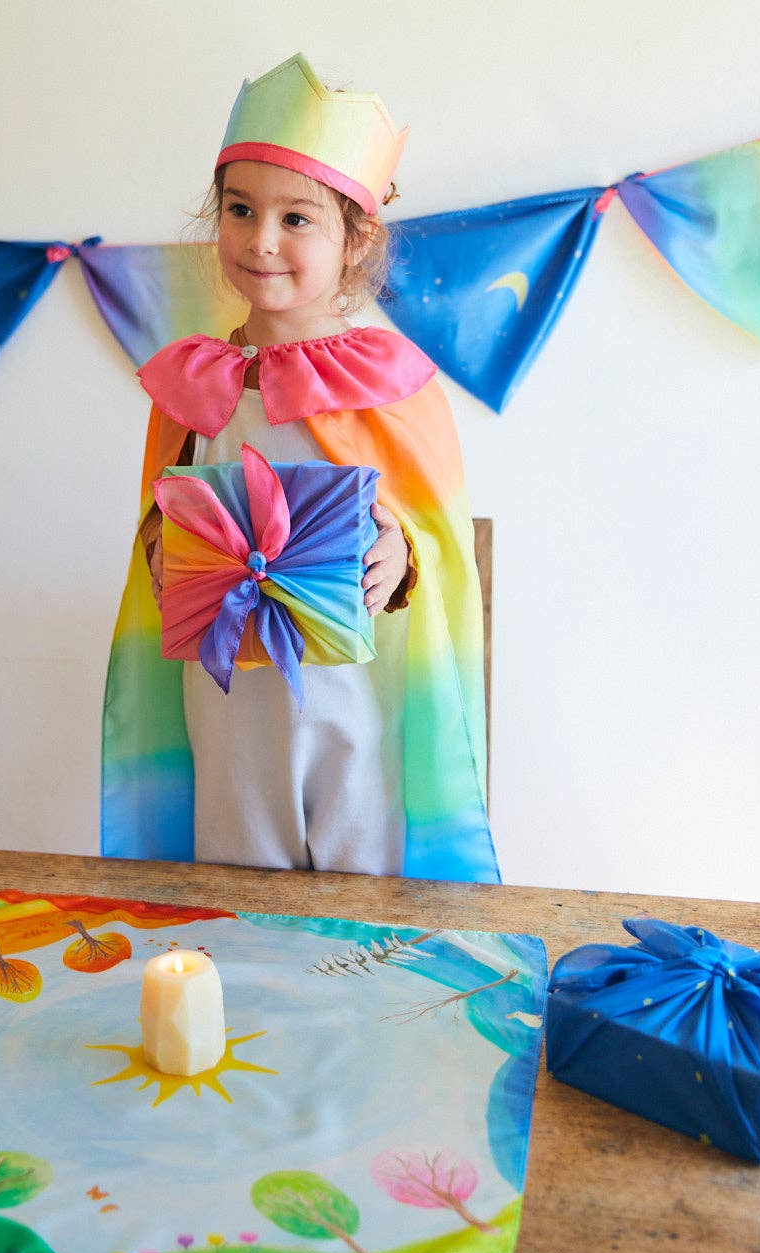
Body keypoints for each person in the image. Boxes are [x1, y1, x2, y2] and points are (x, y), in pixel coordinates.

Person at [102, 53, 499, 883]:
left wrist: (403, 553)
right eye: (241, 210)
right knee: (236, 861)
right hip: (226, 691)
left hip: (351, 694)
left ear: (357, 240)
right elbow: (166, 509)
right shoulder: (194, 380)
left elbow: (434, 537)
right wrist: (160, 544)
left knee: (357, 867)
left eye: (296, 219)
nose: (261, 240)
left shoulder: (389, 382)